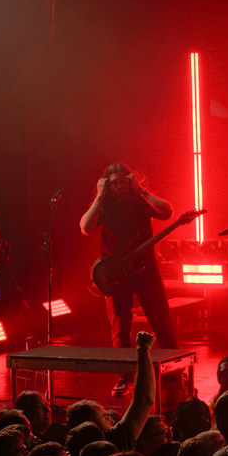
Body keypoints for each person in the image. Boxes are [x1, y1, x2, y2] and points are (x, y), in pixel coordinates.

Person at [80, 163, 178, 396]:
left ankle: (174, 373)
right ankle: (124, 377)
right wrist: (99, 195)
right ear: (107, 185)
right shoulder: (105, 206)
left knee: (162, 321)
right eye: (113, 183)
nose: (119, 186)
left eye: (123, 181)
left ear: (130, 180)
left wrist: (141, 189)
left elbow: (167, 212)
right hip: (116, 274)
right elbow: (85, 227)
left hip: (146, 271)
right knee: (120, 327)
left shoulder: (141, 202)